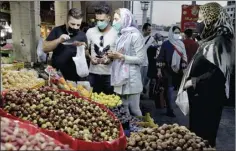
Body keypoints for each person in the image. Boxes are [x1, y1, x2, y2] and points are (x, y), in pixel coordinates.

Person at [177, 2, 234, 147]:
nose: (198, 22)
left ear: (211, 20)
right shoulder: (212, 40)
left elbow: (217, 76)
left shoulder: (219, 42)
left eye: (201, 18)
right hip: (203, 99)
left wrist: (193, 81)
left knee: (203, 139)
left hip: (208, 101)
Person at [107, 8, 144, 116]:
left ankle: (143, 131)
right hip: (120, 77)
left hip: (131, 78)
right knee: (123, 108)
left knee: (134, 109)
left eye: (116, 19)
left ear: (125, 19)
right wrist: (112, 56)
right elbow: (119, 55)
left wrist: (121, 56)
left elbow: (141, 59)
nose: (113, 22)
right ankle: (129, 131)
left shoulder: (135, 35)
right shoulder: (121, 36)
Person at [43, 8, 87, 81]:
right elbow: (45, 48)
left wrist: (83, 48)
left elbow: (85, 54)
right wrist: (58, 40)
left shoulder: (82, 35)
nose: (75, 27)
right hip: (57, 75)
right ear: (66, 21)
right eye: (72, 24)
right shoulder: (57, 30)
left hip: (76, 75)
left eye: (78, 25)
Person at [86, 4, 118, 94]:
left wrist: (110, 59)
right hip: (93, 74)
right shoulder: (90, 32)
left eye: (102, 20)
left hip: (110, 75)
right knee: (92, 102)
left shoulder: (116, 33)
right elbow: (84, 49)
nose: (99, 22)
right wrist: (89, 57)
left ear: (108, 18)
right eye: (97, 20)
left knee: (110, 102)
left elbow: (120, 53)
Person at [157, 25, 187, 117]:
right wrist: (159, 70)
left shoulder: (181, 44)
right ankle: (170, 109)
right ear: (171, 33)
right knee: (169, 90)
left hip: (178, 72)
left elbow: (184, 57)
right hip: (167, 70)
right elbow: (161, 57)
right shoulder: (166, 44)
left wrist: (184, 68)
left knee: (176, 91)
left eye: (178, 33)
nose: (177, 34)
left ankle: (175, 107)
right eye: (175, 33)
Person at [141, 23, 155, 97]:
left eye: (150, 30)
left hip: (146, 62)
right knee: (139, 78)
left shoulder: (151, 39)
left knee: (146, 78)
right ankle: (140, 93)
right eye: (148, 30)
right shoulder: (139, 37)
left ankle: (143, 89)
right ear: (144, 30)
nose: (150, 31)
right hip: (138, 62)